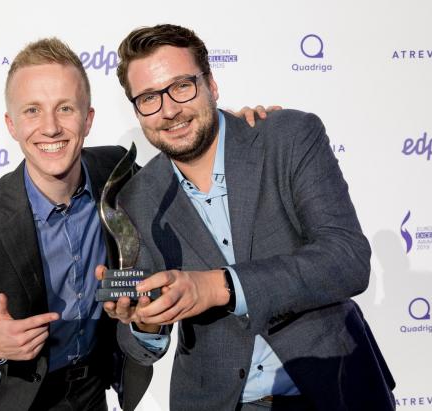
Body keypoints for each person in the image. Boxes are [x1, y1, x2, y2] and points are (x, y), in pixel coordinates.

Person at [0, 37, 273, 411]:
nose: (51, 127)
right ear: (11, 124)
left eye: (65, 109)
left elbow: (183, 169)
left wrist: (228, 132)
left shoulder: (118, 174)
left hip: (95, 392)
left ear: (88, 118)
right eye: (32, 111)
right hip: (19, 398)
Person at [100, 24, 396, 411]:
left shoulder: (287, 138)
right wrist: (146, 322)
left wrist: (219, 286)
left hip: (332, 388)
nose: (169, 109)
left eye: (182, 86)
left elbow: (348, 260)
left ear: (211, 84)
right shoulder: (138, 197)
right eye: (149, 98)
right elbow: (140, 350)